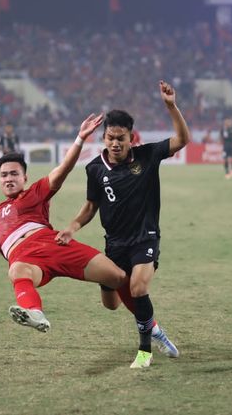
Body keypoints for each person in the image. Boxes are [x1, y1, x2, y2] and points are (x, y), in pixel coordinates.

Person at [56, 80, 191, 368]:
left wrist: (171, 107)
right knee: (112, 304)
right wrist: (72, 227)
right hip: (114, 244)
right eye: (110, 137)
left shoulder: (147, 155)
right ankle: (154, 329)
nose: (115, 143)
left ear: (132, 137)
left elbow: (182, 140)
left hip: (145, 237)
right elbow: (91, 206)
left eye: (121, 138)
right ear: (103, 138)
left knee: (139, 289)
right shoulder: (94, 169)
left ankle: (144, 350)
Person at [0, 113, 126, 334]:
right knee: (17, 271)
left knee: (119, 279)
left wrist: (80, 138)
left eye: (14, 174)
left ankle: (150, 327)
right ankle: (35, 313)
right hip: (24, 258)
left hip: (53, 244)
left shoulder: (34, 193)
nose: (8, 178)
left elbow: (62, 171)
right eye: (3, 175)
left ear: (24, 178)